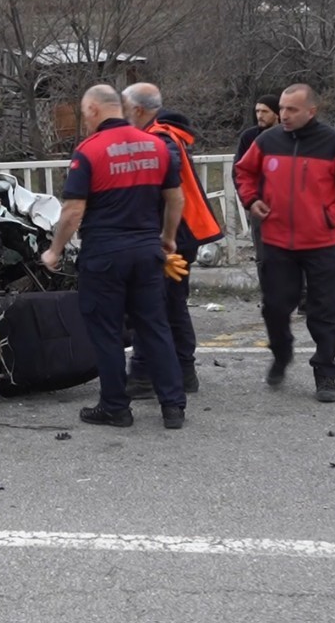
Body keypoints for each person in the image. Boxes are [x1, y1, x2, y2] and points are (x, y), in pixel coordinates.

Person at [41, 83, 187, 429]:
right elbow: (176, 198)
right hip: (147, 251)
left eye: (84, 114)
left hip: (104, 255)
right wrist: (167, 239)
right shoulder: (156, 145)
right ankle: (173, 407)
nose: (85, 120)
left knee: (106, 332)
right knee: (155, 327)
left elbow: (73, 211)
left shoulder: (89, 151)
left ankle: (115, 407)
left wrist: (54, 250)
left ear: (93, 110)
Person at [234, 83, 335, 403]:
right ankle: (281, 354)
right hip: (276, 240)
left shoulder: (334, 142)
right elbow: (243, 173)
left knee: (324, 310)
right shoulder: (267, 140)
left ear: (311, 111)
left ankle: (325, 372)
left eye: (292, 109)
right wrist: (251, 200)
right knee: (275, 307)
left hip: (321, 242)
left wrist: (330, 217)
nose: (284, 115)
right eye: (282, 108)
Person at [117, 84, 224, 398]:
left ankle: (143, 377)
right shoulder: (166, 134)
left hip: (170, 234)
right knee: (171, 305)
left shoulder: (159, 139)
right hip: (181, 233)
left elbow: (164, 184)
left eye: (124, 107)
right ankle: (183, 372)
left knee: (149, 306)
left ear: (138, 110)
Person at [234, 94, 281, 271]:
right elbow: (238, 171)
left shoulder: (289, 136)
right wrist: (250, 200)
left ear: (277, 113)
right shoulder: (249, 137)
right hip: (260, 203)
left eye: (265, 111)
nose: (260, 115)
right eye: (257, 111)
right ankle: (266, 288)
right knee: (264, 256)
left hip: (288, 204)